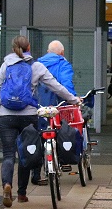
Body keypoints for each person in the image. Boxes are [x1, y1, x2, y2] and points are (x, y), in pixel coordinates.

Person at [0, 35, 80, 208]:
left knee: (9, 155)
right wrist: (73, 100)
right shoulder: (36, 66)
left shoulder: (6, 65)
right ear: (29, 47)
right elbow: (56, 86)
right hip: (28, 116)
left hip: (6, 117)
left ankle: (6, 185)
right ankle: (22, 194)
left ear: (13, 48)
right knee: (27, 153)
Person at [30, 40, 77, 186]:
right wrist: (73, 99)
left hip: (36, 106)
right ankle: (62, 161)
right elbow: (66, 84)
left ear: (48, 51)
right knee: (61, 131)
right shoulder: (63, 64)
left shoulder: (36, 64)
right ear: (62, 53)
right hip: (56, 106)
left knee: (38, 136)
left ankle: (36, 174)